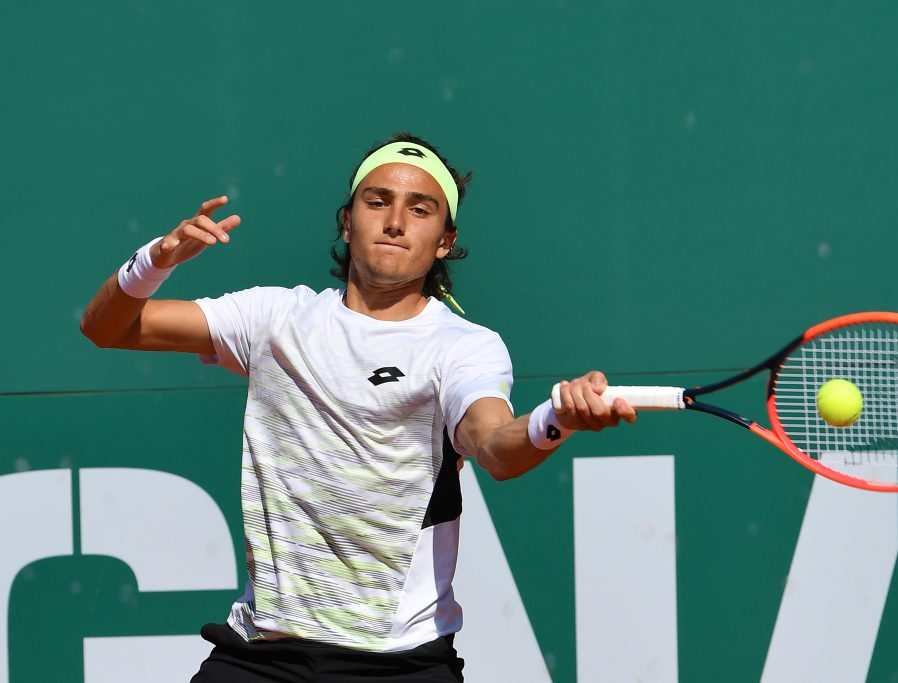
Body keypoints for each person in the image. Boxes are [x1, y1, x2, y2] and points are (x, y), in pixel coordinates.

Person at [80, 132, 636, 682]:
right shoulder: (273, 319)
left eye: (420, 210)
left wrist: (554, 421)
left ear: (445, 240)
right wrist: (156, 260)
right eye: (378, 202)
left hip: (400, 663)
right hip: (259, 655)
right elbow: (106, 328)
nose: (396, 221)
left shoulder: (462, 347)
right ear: (347, 221)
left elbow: (494, 447)